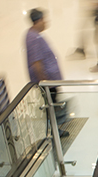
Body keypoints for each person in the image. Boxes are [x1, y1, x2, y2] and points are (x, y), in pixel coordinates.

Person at [25, 8, 69, 137]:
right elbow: (36, 63)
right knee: (50, 106)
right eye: (44, 19)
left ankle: (54, 128)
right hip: (47, 83)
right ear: (38, 20)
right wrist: (45, 82)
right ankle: (54, 131)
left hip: (50, 81)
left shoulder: (35, 35)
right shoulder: (33, 38)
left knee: (52, 106)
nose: (46, 22)